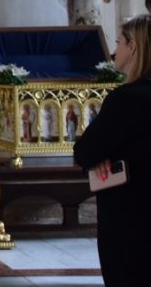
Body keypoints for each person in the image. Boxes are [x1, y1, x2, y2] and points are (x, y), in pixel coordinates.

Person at [74, 14, 151, 287]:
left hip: (129, 217)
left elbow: (85, 152)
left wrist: (99, 155)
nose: (115, 51)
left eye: (118, 42)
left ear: (134, 46)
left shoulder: (124, 100)